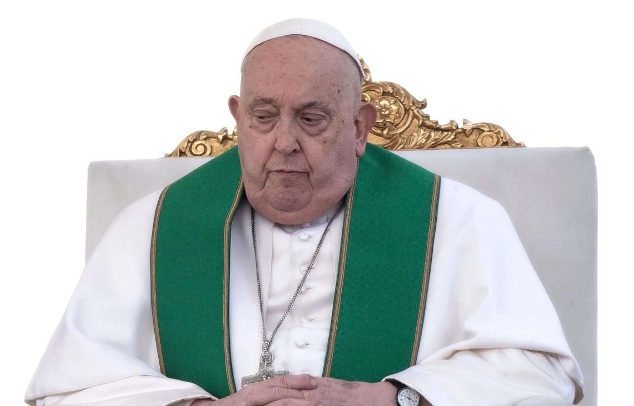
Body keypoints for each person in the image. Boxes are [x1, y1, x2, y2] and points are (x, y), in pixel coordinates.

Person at [25, 18, 584, 406]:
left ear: (360, 128)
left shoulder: (457, 220)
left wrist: (394, 399)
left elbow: (541, 378)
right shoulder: (152, 228)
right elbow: (69, 390)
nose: (284, 142)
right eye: (264, 117)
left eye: (311, 119)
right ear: (238, 117)